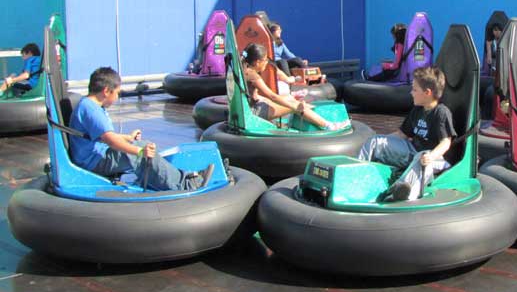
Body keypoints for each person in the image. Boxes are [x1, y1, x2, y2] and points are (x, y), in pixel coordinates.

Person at [69, 67, 213, 190]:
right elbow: (111, 141)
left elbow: (102, 136)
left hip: (96, 156)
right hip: (95, 162)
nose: (117, 97)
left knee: (142, 146)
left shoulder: (89, 105)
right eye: (117, 93)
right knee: (140, 152)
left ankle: (174, 178)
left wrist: (128, 138)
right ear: (107, 91)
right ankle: (185, 184)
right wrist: (139, 152)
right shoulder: (91, 109)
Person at [358, 66, 456, 201]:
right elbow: (401, 134)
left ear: (427, 92)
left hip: (434, 159)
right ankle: (357, 175)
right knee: (375, 141)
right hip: (413, 151)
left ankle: (400, 190)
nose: (411, 93)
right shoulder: (417, 110)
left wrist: (431, 156)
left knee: (421, 157)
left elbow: (446, 142)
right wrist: (382, 142)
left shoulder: (441, 112)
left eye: (415, 90)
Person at [241, 43, 347, 130]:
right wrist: (294, 107)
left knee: (290, 98)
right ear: (257, 62)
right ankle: (328, 125)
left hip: (253, 107)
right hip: (255, 112)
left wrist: (284, 99)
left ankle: (309, 118)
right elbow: (272, 96)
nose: (267, 62)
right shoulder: (253, 75)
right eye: (265, 60)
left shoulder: (245, 70)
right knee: (297, 105)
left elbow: (253, 96)